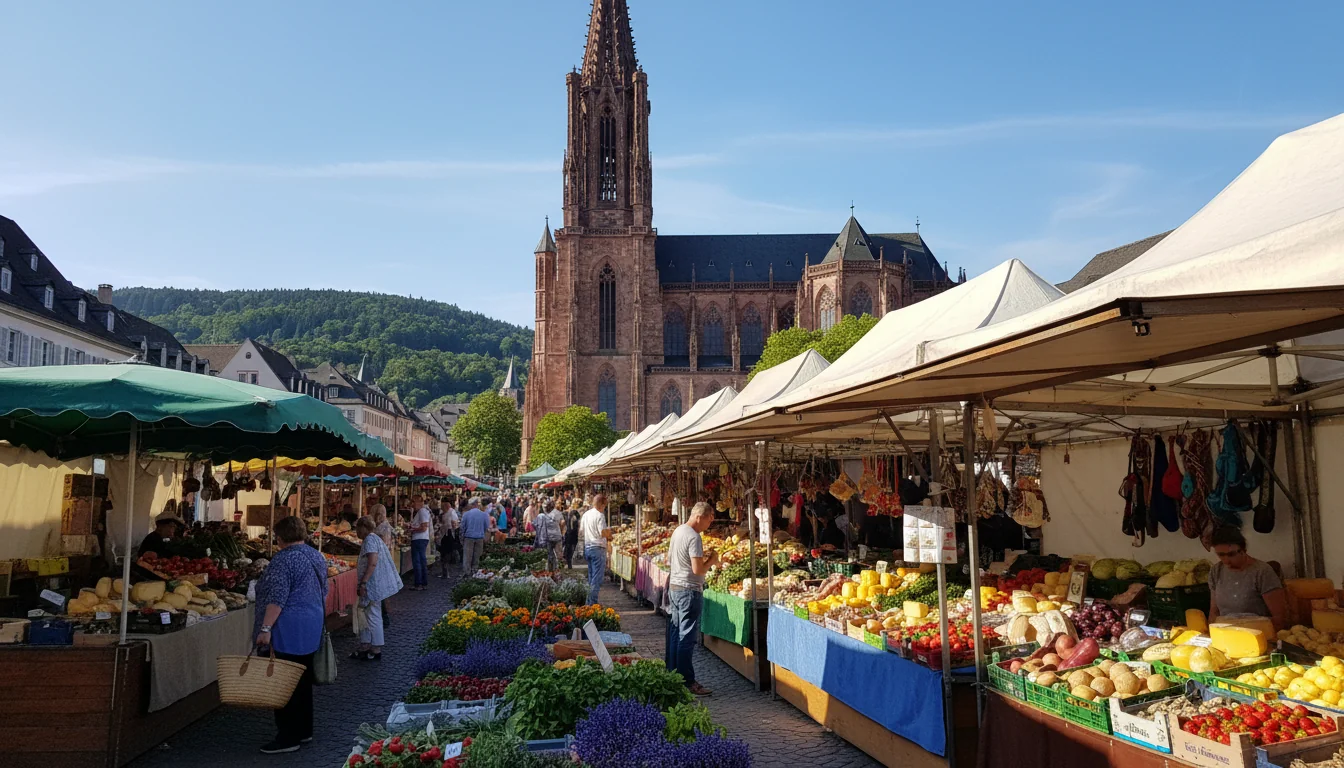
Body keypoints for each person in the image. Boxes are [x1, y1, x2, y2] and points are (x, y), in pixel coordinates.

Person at [253, 515, 328, 754]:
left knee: (284, 682)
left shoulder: (283, 560)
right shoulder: (315, 555)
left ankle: (288, 737)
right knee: (303, 679)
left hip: (288, 627)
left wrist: (265, 629)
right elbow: (324, 589)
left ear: (280, 536)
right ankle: (304, 730)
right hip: (312, 623)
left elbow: (277, 598)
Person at [667, 501, 719, 696]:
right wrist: (712, 561)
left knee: (675, 633)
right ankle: (687, 681)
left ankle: (672, 675)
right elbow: (698, 570)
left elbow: (671, 558)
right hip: (689, 590)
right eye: (709, 520)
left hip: (675, 588)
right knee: (686, 638)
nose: (709, 525)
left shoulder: (678, 530)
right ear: (699, 517)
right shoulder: (694, 537)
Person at [1209, 526, 1288, 630]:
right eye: (1221, 555)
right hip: (1226, 634)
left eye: (1231, 554)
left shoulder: (1262, 571)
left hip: (1258, 633)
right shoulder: (1216, 571)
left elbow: (1280, 618)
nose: (1226, 560)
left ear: (1243, 550)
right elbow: (1213, 613)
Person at [352, 515, 403, 661]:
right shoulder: (374, 539)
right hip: (373, 583)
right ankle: (366, 644)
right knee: (367, 613)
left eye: (357, 528)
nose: (356, 532)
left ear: (363, 528)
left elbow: (372, 562)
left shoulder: (369, 540)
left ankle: (375, 648)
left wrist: (364, 582)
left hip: (372, 584)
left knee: (372, 614)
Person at [581, 493, 613, 604]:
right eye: (604, 505)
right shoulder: (599, 515)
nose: (604, 508)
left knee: (591, 577)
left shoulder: (586, 514)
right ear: (601, 504)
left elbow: (581, 531)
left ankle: (588, 601)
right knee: (596, 578)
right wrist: (609, 534)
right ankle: (592, 604)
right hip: (597, 548)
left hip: (588, 547)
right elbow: (602, 532)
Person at [371, 503, 395, 628]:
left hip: (380, 561)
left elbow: (382, 545)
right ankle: (384, 616)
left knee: (381, 590)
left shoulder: (383, 527)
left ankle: (384, 618)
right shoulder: (383, 526)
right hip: (383, 559)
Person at [408, 495, 432, 591]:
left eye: (413, 502)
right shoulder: (421, 511)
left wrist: (412, 529)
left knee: (418, 562)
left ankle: (419, 583)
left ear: (418, 502)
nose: (412, 505)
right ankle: (421, 583)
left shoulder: (422, 511)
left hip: (419, 539)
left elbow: (424, 527)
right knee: (420, 561)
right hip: (420, 539)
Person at [460, 497, 490, 574]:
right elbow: (486, 527)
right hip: (479, 538)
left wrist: (462, 538)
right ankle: (475, 572)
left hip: (468, 538)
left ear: (472, 504)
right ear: (477, 504)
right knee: (476, 557)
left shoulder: (466, 514)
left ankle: (467, 574)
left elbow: (462, 527)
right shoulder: (484, 515)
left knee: (467, 557)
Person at [536, 500, 565, 572]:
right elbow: (562, 522)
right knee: (558, 555)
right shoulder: (558, 513)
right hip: (557, 536)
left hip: (548, 537)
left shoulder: (544, 514)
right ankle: (558, 570)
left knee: (549, 555)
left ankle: (551, 570)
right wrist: (560, 531)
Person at [437, 501, 460, 576]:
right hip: (446, 534)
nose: (441, 509)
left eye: (442, 508)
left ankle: (446, 572)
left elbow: (454, 524)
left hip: (448, 535)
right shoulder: (448, 513)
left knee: (446, 553)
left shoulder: (451, 513)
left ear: (446, 507)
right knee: (445, 553)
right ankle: (445, 571)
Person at [564, 498, 583, 569]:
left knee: (570, 548)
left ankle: (568, 561)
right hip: (572, 533)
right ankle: (568, 561)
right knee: (570, 548)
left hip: (571, 533)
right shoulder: (572, 512)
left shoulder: (574, 512)